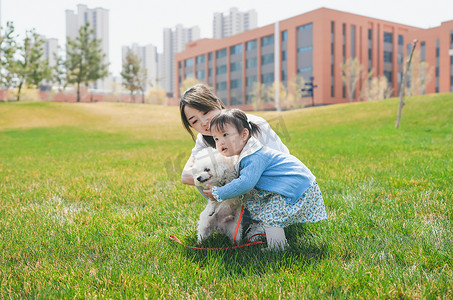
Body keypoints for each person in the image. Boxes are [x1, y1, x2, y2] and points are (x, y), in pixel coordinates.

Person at [203, 108, 327, 250]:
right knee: (268, 212)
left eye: (225, 135)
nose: (221, 142)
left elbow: (245, 183)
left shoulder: (254, 156)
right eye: (216, 138)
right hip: (295, 185)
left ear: (244, 134)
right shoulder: (248, 153)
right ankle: (277, 243)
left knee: (271, 216)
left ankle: (277, 247)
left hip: (298, 187)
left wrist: (220, 192)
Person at [179, 83, 290, 240]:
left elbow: (274, 170)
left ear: (217, 103)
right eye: (194, 121)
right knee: (203, 174)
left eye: (206, 112)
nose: (203, 122)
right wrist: (220, 176)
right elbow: (186, 175)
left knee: (230, 174)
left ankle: (263, 220)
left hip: (278, 185)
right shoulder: (204, 138)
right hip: (245, 184)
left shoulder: (251, 125)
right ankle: (237, 216)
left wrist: (232, 179)